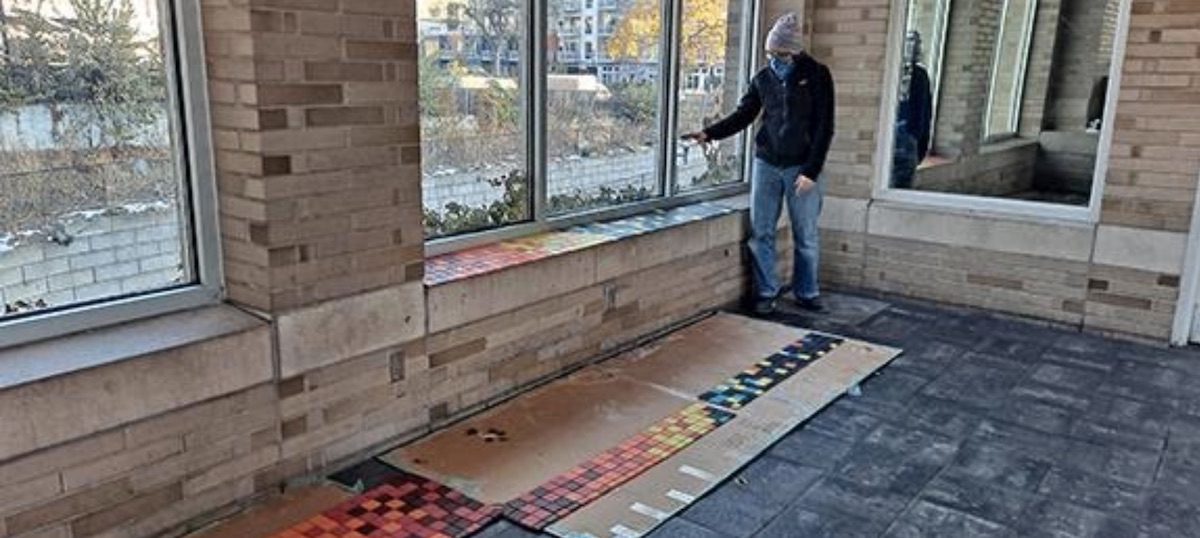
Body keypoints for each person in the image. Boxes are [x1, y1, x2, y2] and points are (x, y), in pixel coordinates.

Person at [682, 12, 835, 315]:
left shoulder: (817, 75)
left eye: (781, 54)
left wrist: (811, 171)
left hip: (801, 166)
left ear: (794, 52)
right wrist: (709, 133)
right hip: (767, 163)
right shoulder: (762, 79)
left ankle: (807, 291)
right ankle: (766, 291)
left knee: (805, 234)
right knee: (761, 231)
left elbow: (824, 127)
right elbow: (744, 115)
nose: (775, 60)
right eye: (770, 54)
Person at [892, 30, 933, 189]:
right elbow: (925, 116)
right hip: (907, 138)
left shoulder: (893, 72)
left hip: (902, 137)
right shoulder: (920, 75)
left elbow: (924, 113)